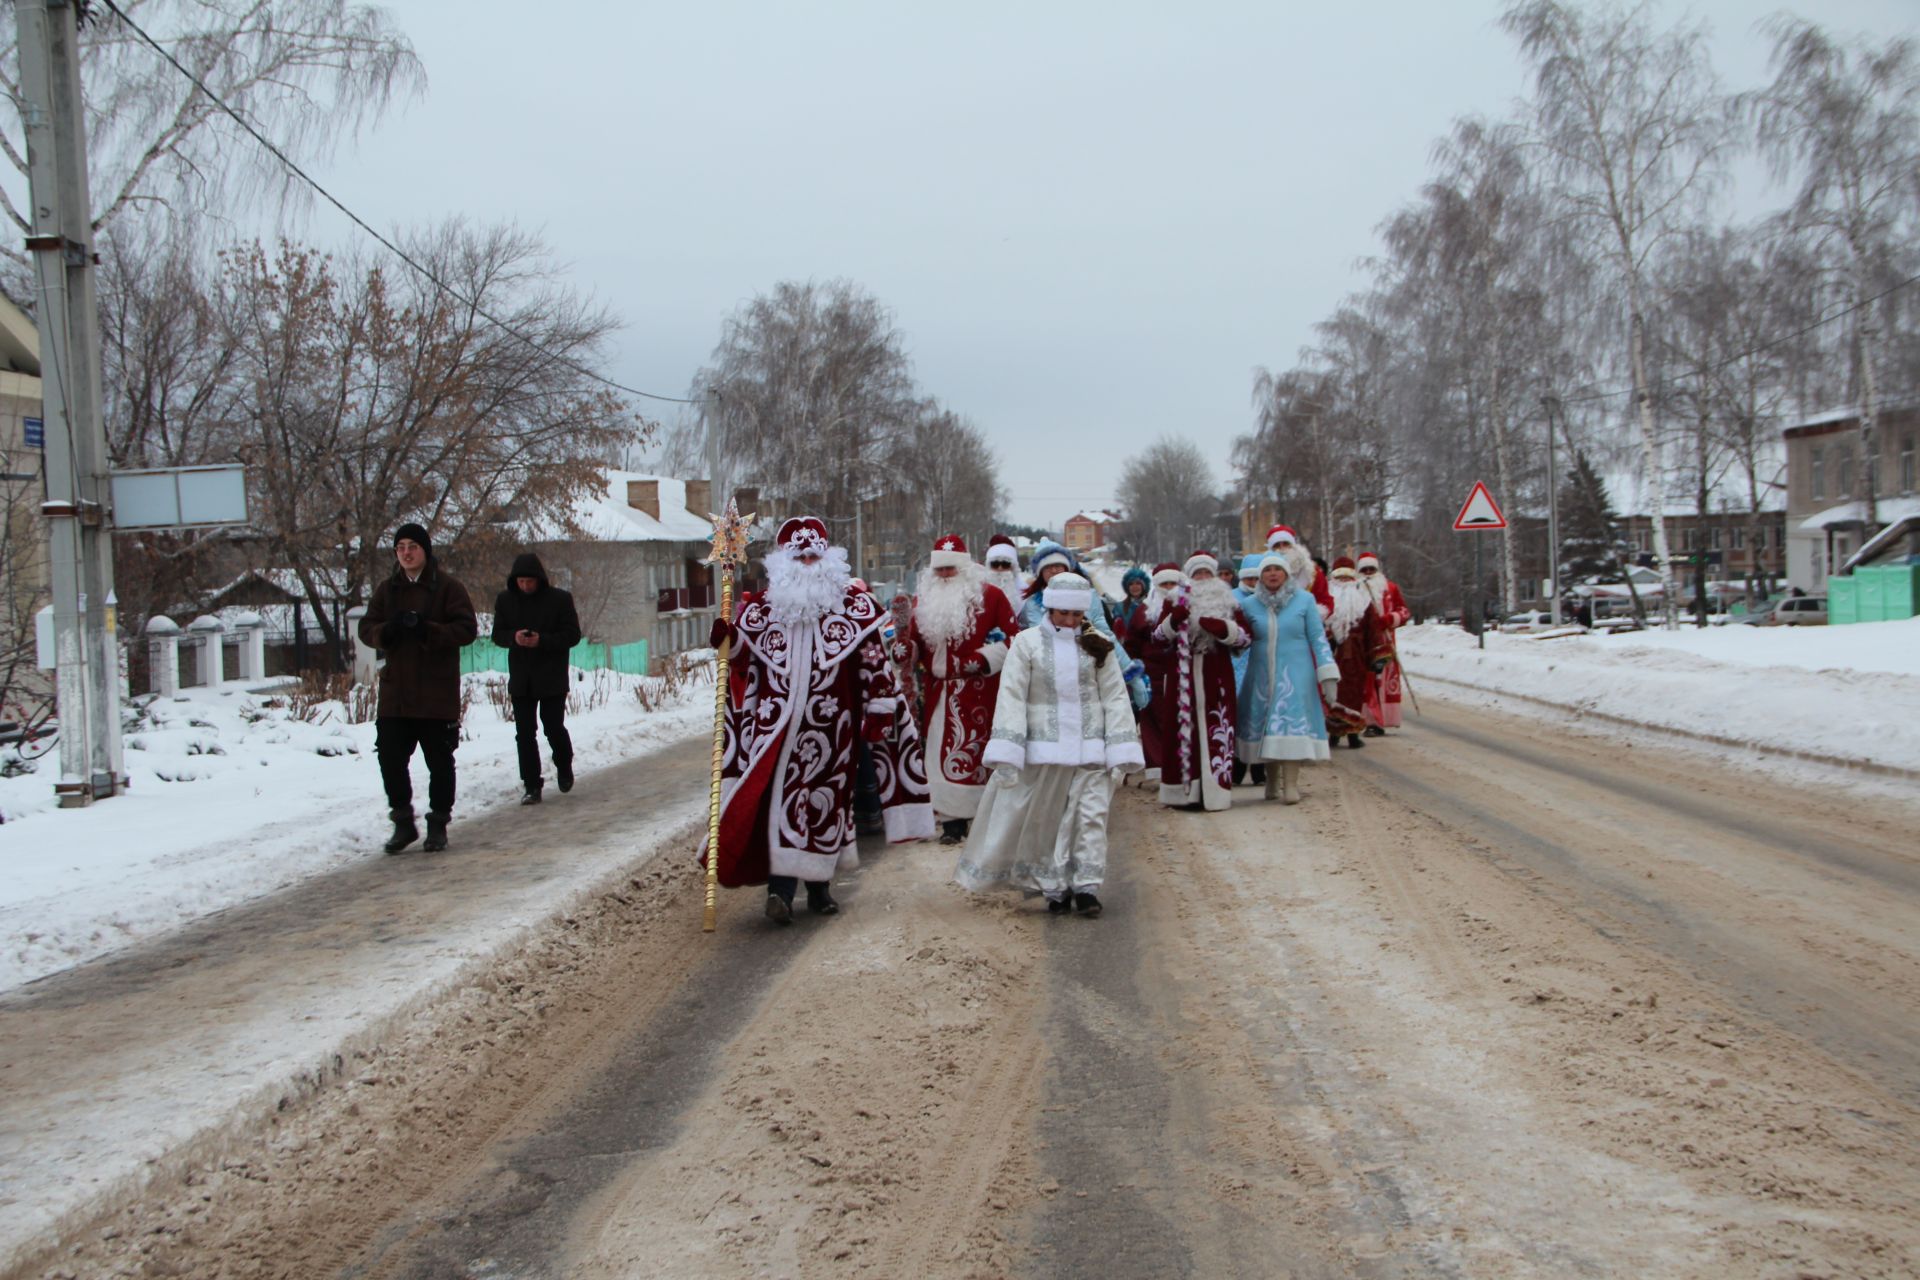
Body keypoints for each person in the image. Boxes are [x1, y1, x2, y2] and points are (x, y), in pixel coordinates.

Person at [710, 517, 934, 923]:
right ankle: (779, 892)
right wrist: (729, 638)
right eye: (801, 556)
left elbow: (873, 662)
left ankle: (818, 889)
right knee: (778, 802)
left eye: (815, 555)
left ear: (828, 558)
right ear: (784, 563)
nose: (809, 563)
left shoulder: (854, 605)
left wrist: (881, 708)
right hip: (775, 728)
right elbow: (745, 660)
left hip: (833, 727)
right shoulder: (763, 609)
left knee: (826, 805)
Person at [954, 572, 1143, 916]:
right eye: (1062, 613)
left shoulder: (1098, 643)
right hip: (1045, 748)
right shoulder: (1027, 644)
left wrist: (1120, 748)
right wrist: (1010, 748)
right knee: (1049, 819)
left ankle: (1086, 887)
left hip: (1092, 746)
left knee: (1090, 815)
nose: (1069, 621)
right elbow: (1012, 695)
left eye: (1076, 615)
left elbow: (1115, 696)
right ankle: (1055, 886)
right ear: (1050, 608)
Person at [359, 523, 478, 853]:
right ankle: (402, 821)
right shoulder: (387, 590)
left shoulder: (448, 588)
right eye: (401, 548)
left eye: (413, 546)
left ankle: (438, 823)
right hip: (396, 694)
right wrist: (388, 631)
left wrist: (428, 630)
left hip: (436, 693)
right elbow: (366, 628)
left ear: (425, 550)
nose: (407, 553)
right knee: (390, 757)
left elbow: (467, 629)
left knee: (440, 761)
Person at [908, 534, 1020, 844]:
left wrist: (983, 659)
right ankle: (952, 823)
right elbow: (915, 644)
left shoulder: (992, 597)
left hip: (981, 689)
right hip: (937, 691)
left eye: (950, 569)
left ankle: (984, 819)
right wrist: (906, 652)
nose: (944, 575)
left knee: (979, 755)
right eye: (939, 570)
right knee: (936, 755)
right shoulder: (922, 602)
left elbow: (1016, 639)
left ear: (965, 568)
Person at [1139, 551, 1250, 811]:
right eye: (1197, 574)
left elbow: (1245, 638)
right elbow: (1157, 639)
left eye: (1206, 573)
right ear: (1188, 577)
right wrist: (1173, 621)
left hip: (1217, 673)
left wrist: (1224, 630)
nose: (1202, 578)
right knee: (1182, 731)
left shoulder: (1230, 602)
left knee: (1216, 728)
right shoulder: (1176, 601)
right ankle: (1184, 792)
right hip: (1182, 675)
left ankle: (1215, 792)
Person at [1236, 553, 1338, 803]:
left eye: (1277, 569)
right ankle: (1271, 782)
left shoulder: (1304, 601)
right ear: (1259, 576)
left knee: (1290, 726)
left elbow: (1318, 638)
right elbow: (1240, 640)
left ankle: (1290, 785)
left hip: (1295, 674)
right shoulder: (1249, 605)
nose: (1272, 574)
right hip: (1259, 676)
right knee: (1266, 729)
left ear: (1286, 574)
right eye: (1267, 570)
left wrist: (1327, 673)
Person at [490, 552, 583, 804]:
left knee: (553, 726)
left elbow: (572, 635)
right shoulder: (505, 601)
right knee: (524, 733)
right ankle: (531, 784)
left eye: (530, 581)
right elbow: (497, 634)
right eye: (521, 582)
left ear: (539, 579)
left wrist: (542, 640)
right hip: (521, 677)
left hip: (551, 675)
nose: (525, 586)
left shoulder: (560, 600)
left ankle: (564, 765)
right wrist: (514, 638)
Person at [1019, 539, 1150, 712]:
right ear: (1040, 571)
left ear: (1068, 568)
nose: (1054, 570)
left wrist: (1131, 674)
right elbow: (1036, 644)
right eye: (1048, 566)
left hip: (1088, 675)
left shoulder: (1089, 596)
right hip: (1050, 683)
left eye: (1059, 565)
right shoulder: (1033, 605)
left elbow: (1106, 636)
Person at [1124, 562, 1184, 782]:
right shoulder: (1143, 612)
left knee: (1179, 719)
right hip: (1151, 674)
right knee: (1152, 722)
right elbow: (1131, 644)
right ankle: (1157, 769)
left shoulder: (1186, 607)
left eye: (1173, 583)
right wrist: (1135, 671)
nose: (1169, 588)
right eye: (1164, 583)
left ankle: (1180, 766)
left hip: (1180, 673)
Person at [1323, 556, 1388, 750]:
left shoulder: (1364, 602)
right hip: (1331, 655)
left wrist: (1377, 656)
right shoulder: (1326, 601)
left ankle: (1352, 735)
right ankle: (1333, 734)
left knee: (1355, 695)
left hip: (1357, 658)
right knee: (1331, 695)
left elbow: (1374, 630)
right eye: (1339, 578)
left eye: (1347, 578)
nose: (1344, 582)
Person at [1357, 552, 1412, 736]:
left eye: (1371, 569)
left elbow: (1403, 611)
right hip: (1363, 643)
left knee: (1382, 681)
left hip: (1385, 642)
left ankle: (1384, 719)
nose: (1368, 573)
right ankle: (1369, 720)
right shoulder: (1355, 589)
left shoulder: (1390, 588)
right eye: (1364, 570)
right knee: (1367, 682)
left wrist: (1389, 619)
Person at [1267, 524, 1333, 619]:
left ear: (1293, 545)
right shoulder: (1263, 572)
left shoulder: (1311, 572)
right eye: (1277, 545)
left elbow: (1325, 601)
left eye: (1286, 543)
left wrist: (1309, 615)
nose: (1282, 548)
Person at [983, 535, 1027, 604]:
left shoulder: (1025, 592)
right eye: (995, 564)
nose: (1000, 568)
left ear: (1013, 567)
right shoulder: (979, 593)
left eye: (1005, 564)